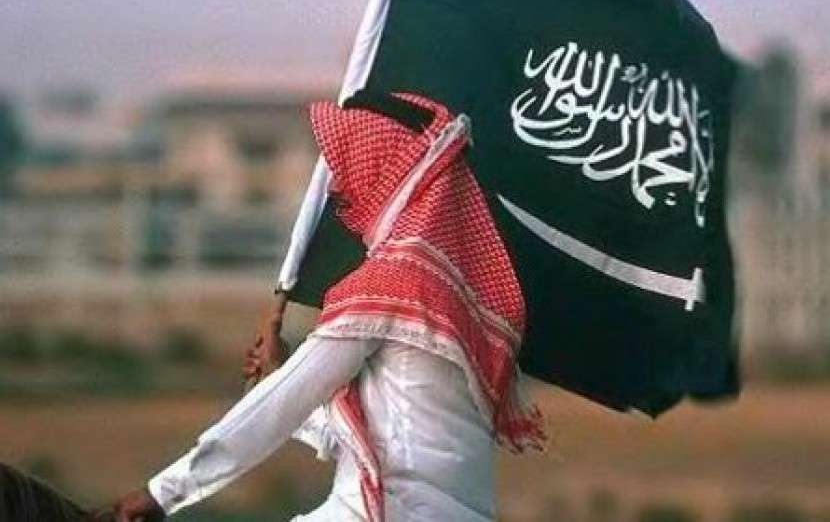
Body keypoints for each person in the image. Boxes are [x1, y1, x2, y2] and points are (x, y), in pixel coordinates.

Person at [100, 93, 545, 522]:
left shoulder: (394, 281)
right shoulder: (464, 298)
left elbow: (282, 405)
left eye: (351, 163)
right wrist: (278, 375)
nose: (338, 185)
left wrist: (162, 494)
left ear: (385, 171)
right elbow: (369, 436)